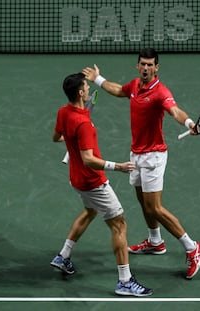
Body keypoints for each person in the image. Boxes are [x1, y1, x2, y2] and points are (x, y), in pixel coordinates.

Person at [82, 48, 200, 279]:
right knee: (142, 201)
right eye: (143, 64)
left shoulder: (160, 92)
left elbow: (174, 110)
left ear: (156, 67)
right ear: (137, 66)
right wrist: (97, 79)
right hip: (136, 154)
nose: (146, 68)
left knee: (155, 208)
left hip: (153, 157)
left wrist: (189, 123)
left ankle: (193, 248)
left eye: (150, 65)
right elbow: (119, 90)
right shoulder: (134, 86)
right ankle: (155, 241)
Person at [50, 72, 153, 297]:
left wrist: (73, 139)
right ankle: (125, 281)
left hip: (76, 179)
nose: (88, 89)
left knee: (90, 211)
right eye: (85, 86)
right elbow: (88, 159)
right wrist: (118, 166)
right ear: (80, 92)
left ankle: (63, 256)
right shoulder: (83, 123)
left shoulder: (63, 113)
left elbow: (56, 137)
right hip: (92, 181)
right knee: (119, 225)